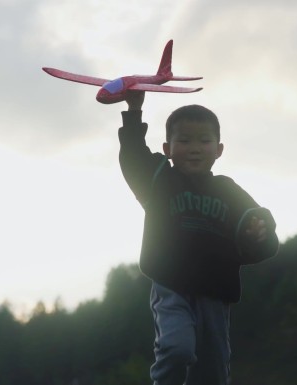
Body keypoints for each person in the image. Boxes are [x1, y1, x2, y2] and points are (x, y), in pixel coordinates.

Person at [118, 91, 279, 385]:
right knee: (176, 349)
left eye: (204, 141)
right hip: (172, 288)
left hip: (216, 296)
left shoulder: (228, 191)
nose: (194, 148)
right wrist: (133, 109)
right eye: (184, 140)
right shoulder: (159, 180)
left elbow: (256, 224)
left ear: (219, 149)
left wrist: (258, 232)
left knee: (212, 374)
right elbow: (133, 155)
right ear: (167, 147)